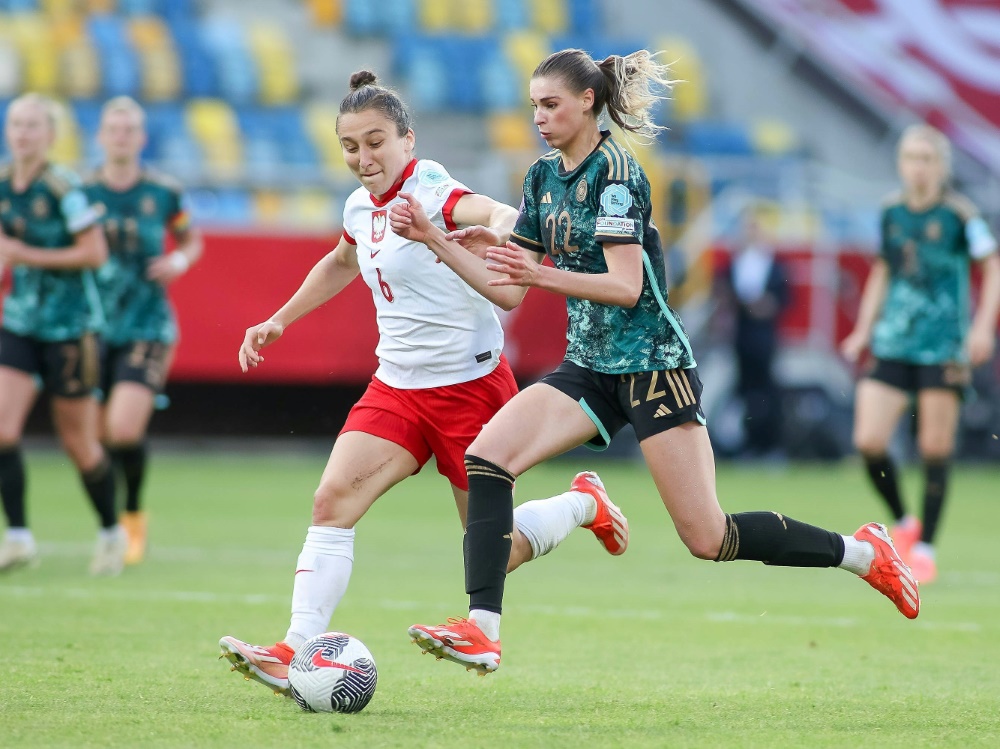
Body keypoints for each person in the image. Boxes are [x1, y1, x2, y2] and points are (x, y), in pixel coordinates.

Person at [406, 48, 921, 677]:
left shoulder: (618, 173)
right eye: (534, 105)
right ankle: (482, 629)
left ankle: (862, 554)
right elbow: (510, 289)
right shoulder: (542, 177)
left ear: (587, 102)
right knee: (487, 457)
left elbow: (624, 287)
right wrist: (436, 239)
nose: (538, 116)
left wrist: (539, 270)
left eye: (550, 104)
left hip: (653, 365)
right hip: (590, 365)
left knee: (709, 538)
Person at [218, 71, 629, 696]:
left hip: (470, 387)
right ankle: (294, 647)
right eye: (351, 147)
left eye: (376, 142)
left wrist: (501, 230)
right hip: (397, 389)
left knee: (492, 549)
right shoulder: (360, 206)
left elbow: (500, 212)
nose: (363, 158)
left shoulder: (433, 190)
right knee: (332, 501)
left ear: (408, 140)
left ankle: (582, 504)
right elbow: (341, 261)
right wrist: (278, 319)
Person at [841, 124, 1000, 584]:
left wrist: (982, 327)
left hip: (942, 347)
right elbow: (883, 271)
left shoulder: (959, 215)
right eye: (911, 157)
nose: (918, 167)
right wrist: (864, 330)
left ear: (940, 166)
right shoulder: (891, 212)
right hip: (894, 342)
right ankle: (905, 522)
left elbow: (991, 267)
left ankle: (926, 545)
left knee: (934, 447)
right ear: (900, 163)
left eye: (927, 159)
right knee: (869, 442)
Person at [0, 93, 125, 575]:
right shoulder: (4, 183)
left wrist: (22, 253)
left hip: (70, 327)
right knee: (3, 429)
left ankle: (112, 532)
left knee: (79, 444)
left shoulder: (63, 187)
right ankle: (17, 536)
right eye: (16, 124)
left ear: (50, 135)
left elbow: (94, 253)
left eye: (33, 125)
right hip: (20, 322)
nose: (23, 133)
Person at [84, 96, 203, 565]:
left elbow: (191, 239)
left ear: (141, 137)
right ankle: (109, 528)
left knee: (123, 430)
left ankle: (132, 516)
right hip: (92, 323)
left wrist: (177, 259)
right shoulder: (81, 190)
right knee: (93, 438)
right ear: (100, 136)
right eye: (113, 128)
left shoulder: (164, 192)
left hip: (147, 323)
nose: (121, 136)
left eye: (129, 129)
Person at [715, 205, 790, 457]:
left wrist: (767, 306)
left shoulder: (775, 264)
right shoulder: (735, 262)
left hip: (765, 336)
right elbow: (723, 289)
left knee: (767, 392)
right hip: (742, 335)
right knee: (744, 392)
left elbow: (785, 297)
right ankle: (748, 444)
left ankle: (770, 444)